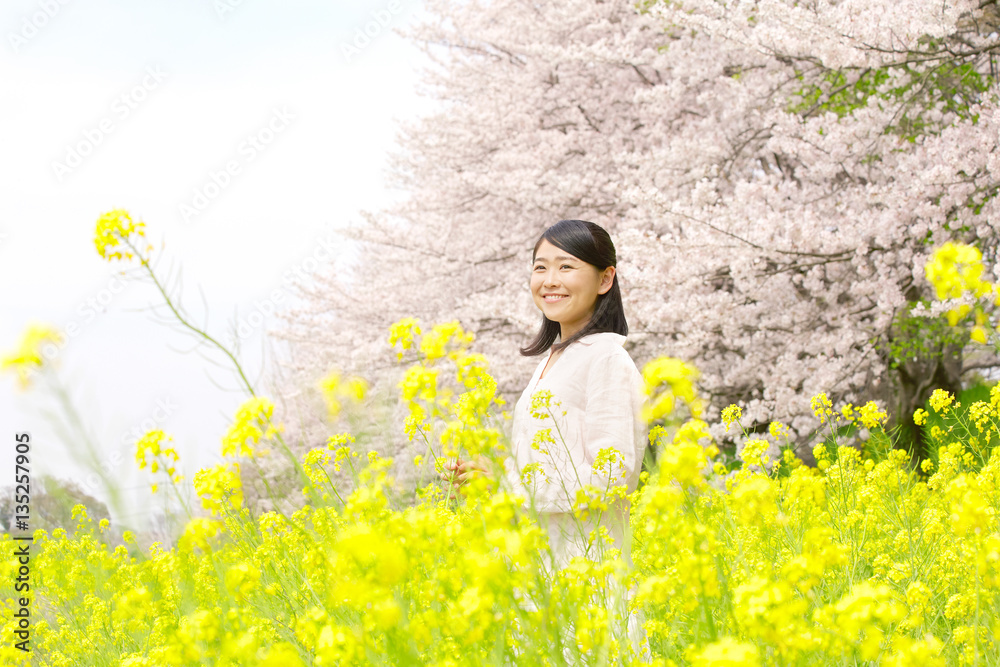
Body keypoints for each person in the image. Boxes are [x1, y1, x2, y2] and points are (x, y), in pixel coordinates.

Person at [442, 219, 651, 661]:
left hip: (589, 573)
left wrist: (509, 486)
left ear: (605, 278)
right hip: (541, 573)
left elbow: (613, 476)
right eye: (541, 267)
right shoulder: (553, 361)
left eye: (566, 267)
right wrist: (493, 480)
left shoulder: (607, 359)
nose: (550, 281)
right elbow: (549, 463)